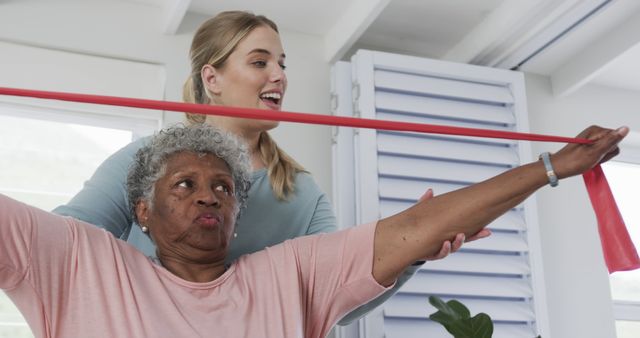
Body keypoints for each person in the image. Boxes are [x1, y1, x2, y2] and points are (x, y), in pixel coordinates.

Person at [52, 10, 485, 324]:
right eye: (260, 62)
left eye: (281, 64)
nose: (278, 75)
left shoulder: (301, 192)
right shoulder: (145, 161)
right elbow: (63, 243)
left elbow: (338, 297)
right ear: (212, 78)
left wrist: (413, 254)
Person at [1, 123, 627, 338]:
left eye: (222, 187)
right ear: (141, 211)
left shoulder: (288, 273)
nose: (207, 196)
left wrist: (555, 166)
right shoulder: (80, 261)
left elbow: (415, 227)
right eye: (183, 186)